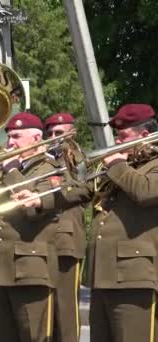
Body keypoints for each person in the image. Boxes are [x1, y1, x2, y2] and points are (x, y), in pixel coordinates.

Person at [86, 104, 158, 342]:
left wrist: (117, 164)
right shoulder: (125, 167)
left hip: (135, 276)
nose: (118, 142)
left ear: (144, 135)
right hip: (103, 274)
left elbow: (145, 192)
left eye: (123, 136)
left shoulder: (149, 165)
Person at [0, 112, 63, 342]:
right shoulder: (4, 170)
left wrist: (11, 171)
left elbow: (32, 210)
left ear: (36, 138)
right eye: (9, 137)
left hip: (31, 270)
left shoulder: (51, 168)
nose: (10, 143)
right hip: (0, 269)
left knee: (33, 336)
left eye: (17, 137)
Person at [44, 112, 88, 342]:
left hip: (66, 243)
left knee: (65, 310)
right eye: (50, 133)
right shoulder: (42, 158)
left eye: (59, 132)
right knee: (43, 312)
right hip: (39, 242)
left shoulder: (80, 159)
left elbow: (84, 190)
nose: (53, 137)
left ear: (73, 132)